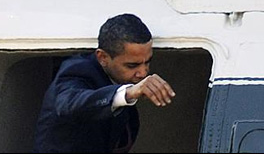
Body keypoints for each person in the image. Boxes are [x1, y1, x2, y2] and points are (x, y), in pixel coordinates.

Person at [33, 13, 175, 153]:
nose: (143, 73)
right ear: (103, 57)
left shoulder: (120, 80)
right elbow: (69, 103)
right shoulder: (77, 70)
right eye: (132, 65)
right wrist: (127, 93)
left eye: (147, 62)